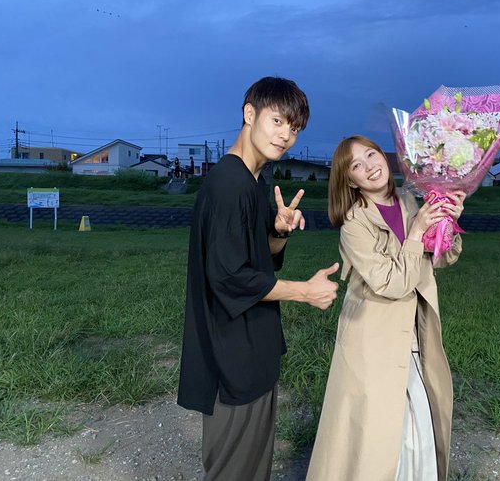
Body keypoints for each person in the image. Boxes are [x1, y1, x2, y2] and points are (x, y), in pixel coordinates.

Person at [177, 76, 339, 481]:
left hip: (252, 348)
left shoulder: (252, 181)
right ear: (250, 114)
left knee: (252, 467)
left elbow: (258, 260)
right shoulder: (229, 184)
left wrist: (278, 232)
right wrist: (304, 292)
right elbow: (230, 277)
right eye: (277, 121)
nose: (286, 136)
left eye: (294, 129)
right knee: (234, 469)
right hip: (231, 354)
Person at [307, 135, 465, 481]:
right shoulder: (354, 224)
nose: (369, 166)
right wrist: (417, 231)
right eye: (356, 165)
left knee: (417, 426)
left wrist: (447, 222)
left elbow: (440, 258)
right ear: (351, 181)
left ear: (384, 155)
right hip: (373, 338)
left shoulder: (409, 200)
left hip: (414, 332)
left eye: (371, 154)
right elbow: (392, 283)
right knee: (377, 434)